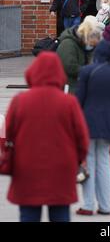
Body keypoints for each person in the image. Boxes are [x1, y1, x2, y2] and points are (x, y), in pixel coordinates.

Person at [5, 52, 89, 222]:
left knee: (28, 215)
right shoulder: (69, 103)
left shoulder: (20, 101)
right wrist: (78, 160)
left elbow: (7, 134)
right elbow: (82, 138)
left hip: (26, 168)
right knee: (60, 215)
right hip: (62, 169)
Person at [76, 40, 110, 216]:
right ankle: (105, 206)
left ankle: (88, 205)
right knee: (104, 163)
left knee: (88, 162)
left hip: (87, 124)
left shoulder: (86, 72)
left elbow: (79, 100)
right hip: (108, 124)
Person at [56, 16, 102, 93]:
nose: (90, 45)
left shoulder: (82, 43)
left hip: (78, 85)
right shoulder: (68, 44)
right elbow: (69, 66)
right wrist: (89, 70)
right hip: (68, 86)